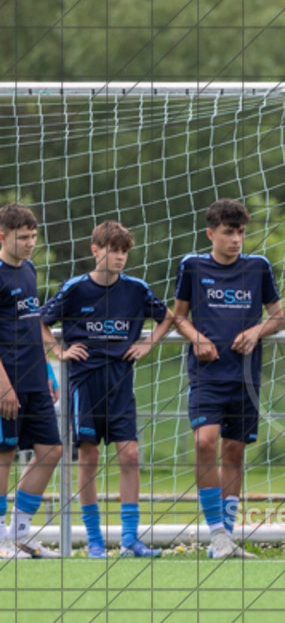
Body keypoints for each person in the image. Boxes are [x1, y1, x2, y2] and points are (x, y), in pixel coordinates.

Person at [40, 221, 174, 558]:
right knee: (89, 456)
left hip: (120, 383)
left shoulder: (136, 289)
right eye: (113, 250)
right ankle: (95, 540)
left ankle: (130, 539)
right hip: (84, 384)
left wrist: (147, 345)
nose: (120, 257)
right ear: (96, 250)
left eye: (124, 251)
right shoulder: (75, 289)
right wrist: (59, 352)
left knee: (129, 455)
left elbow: (167, 317)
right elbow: (39, 322)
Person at [172, 199, 284, 559]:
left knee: (234, 450)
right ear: (211, 234)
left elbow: (278, 317)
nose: (236, 239)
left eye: (240, 233)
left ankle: (228, 538)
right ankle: (216, 534)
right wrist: (197, 338)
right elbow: (179, 317)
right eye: (228, 233)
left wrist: (256, 331)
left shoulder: (258, 267)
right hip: (207, 375)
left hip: (246, 376)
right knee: (205, 443)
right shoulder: (192, 266)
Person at [0, 204, 63, 559]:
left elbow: (32, 323)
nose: (29, 244)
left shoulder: (30, 269)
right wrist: (4, 385)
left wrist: (48, 370)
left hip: (35, 377)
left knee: (51, 450)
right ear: (3, 236)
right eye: (22, 238)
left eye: (33, 237)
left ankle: (21, 533)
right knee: (4, 454)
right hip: (5, 380)